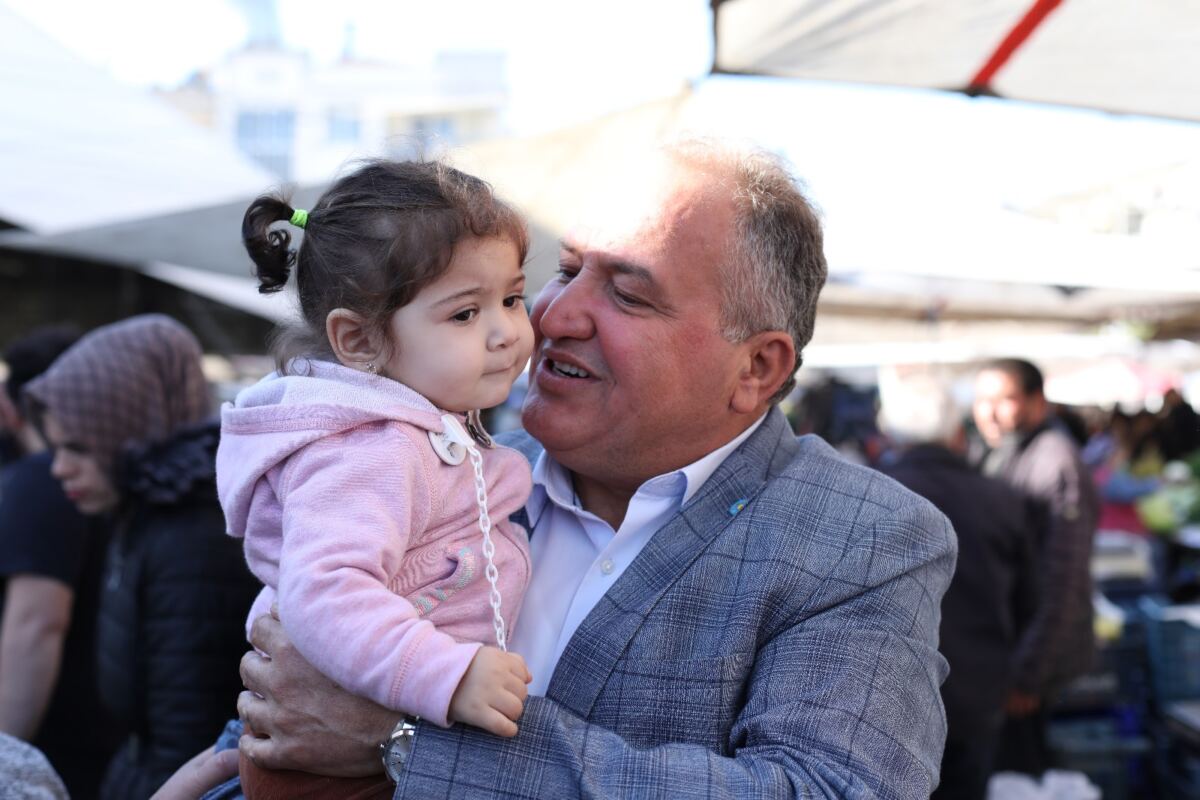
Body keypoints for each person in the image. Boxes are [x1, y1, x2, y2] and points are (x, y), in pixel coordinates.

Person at [183, 139, 956, 799]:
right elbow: (290, 702)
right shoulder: (457, 469)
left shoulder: (866, 540)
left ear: (756, 367)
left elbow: (828, 790)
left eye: (627, 294)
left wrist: (407, 740)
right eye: (566, 270)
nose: (552, 315)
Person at [219, 160, 536, 798]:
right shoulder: (372, 449)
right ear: (360, 340)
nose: (506, 332)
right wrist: (447, 675)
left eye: (511, 299)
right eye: (464, 314)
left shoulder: (425, 426)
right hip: (332, 777)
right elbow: (325, 591)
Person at [23, 315, 261, 800]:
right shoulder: (147, 513)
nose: (59, 468)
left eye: (77, 448)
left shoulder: (188, 540)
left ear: (128, 427)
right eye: (56, 447)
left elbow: (188, 741)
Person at [877, 373, 1039, 800]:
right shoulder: (1000, 498)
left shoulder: (868, 497)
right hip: (979, 691)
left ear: (891, 435)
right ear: (955, 434)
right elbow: (1030, 599)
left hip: (890, 700)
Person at [0, 325, 119, 799]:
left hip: (58, 749)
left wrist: (7, 760)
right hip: (98, 740)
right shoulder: (106, 478)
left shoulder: (40, 482)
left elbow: (37, 625)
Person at [972, 358, 1100, 776]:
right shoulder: (1002, 452)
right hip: (1008, 653)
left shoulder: (1054, 461)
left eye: (1004, 399)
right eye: (982, 400)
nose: (990, 412)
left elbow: (1064, 580)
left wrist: (1029, 673)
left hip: (1034, 664)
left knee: (1024, 774)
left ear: (1037, 401)